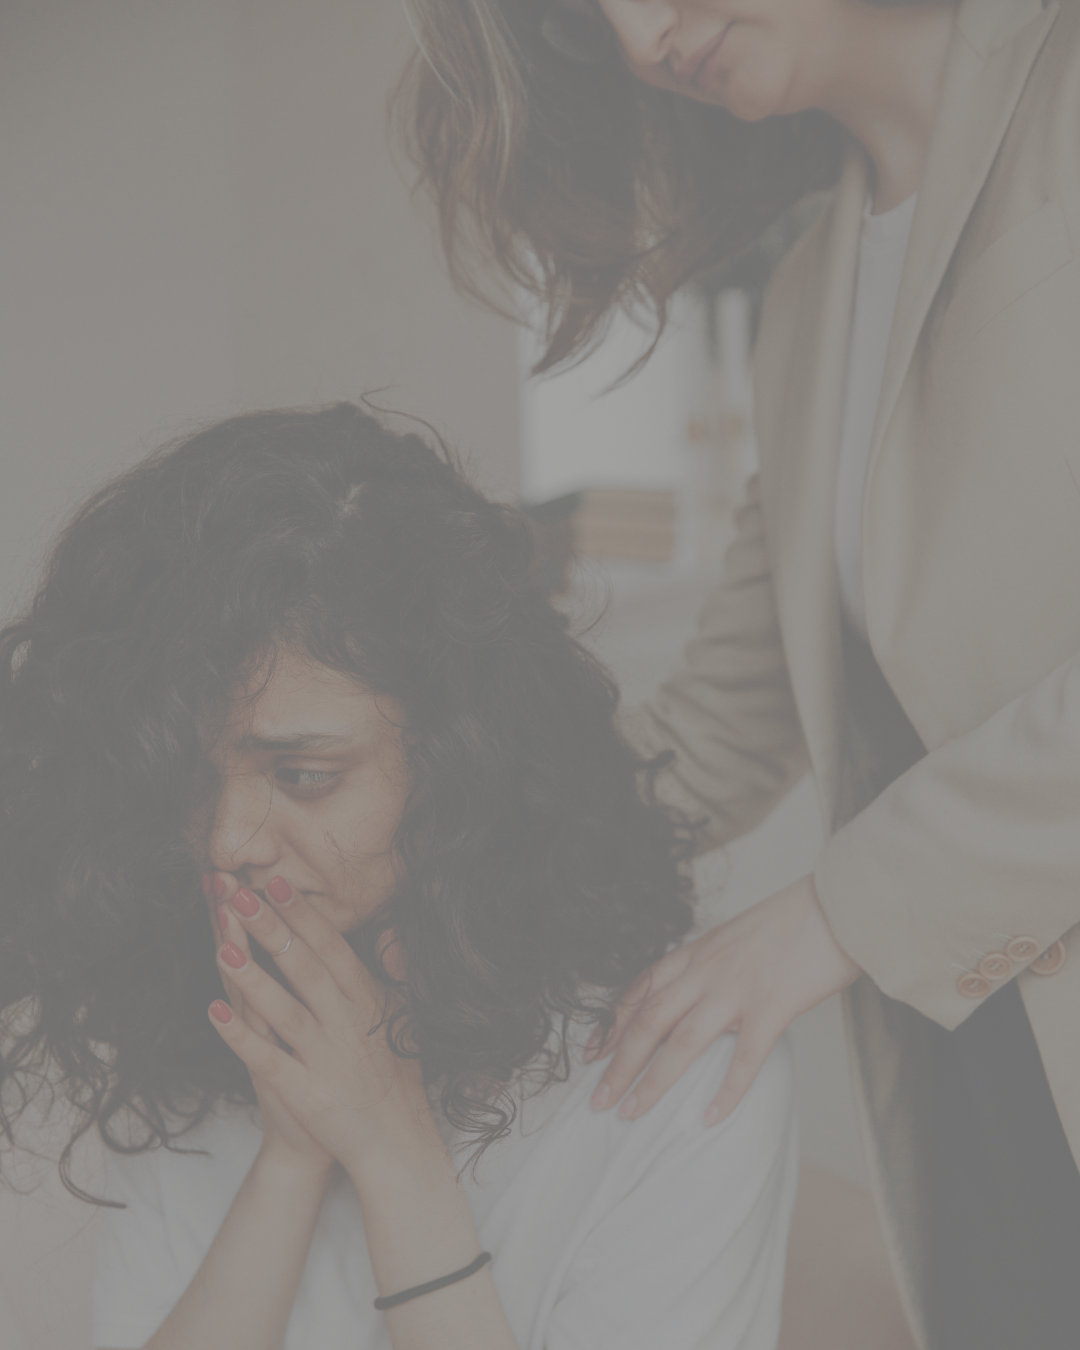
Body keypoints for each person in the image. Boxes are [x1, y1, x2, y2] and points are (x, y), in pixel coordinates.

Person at [398, 1, 1080, 1347]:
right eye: (595, 15)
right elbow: (716, 727)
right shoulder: (809, 298)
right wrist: (417, 866)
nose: (645, 33)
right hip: (983, 1049)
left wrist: (829, 912)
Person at [0, 404, 798, 1350]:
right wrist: (290, 1163)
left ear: (465, 761)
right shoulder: (194, 1015)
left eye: (304, 776)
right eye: (189, 782)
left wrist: (391, 1146)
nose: (225, 842)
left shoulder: (673, 1067)